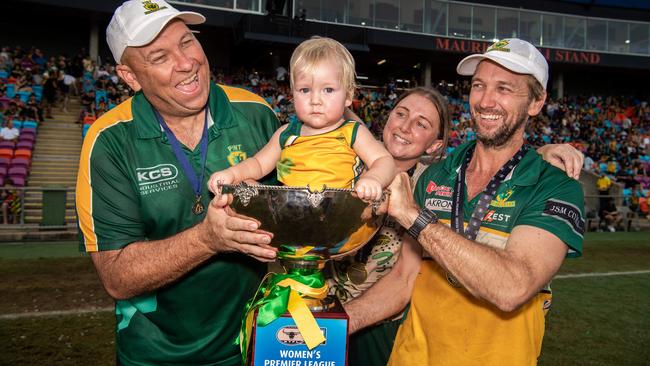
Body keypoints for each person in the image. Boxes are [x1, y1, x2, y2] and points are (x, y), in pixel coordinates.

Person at [347, 38, 585, 365]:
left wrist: (416, 219)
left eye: (504, 89)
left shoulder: (555, 185)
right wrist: (338, 323)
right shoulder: (435, 176)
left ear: (536, 101)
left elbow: (512, 287)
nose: (486, 101)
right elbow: (403, 281)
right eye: (478, 85)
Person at [75, 1, 278, 365]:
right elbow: (117, 276)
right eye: (159, 56)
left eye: (186, 42)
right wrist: (207, 239)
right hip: (154, 355)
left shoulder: (257, 113)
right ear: (130, 77)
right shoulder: (108, 140)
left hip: (253, 344)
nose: (186, 63)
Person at [208, 37, 396, 201]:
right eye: (305, 90)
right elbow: (257, 164)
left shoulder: (353, 132)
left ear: (348, 96)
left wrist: (373, 179)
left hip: (339, 218)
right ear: (293, 94)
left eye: (328, 90)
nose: (315, 100)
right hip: (291, 217)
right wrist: (232, 173)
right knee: (248, 184)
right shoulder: (286, 133)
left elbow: (384, 160)